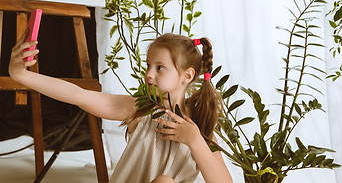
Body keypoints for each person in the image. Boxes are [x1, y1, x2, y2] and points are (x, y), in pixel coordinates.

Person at [9, 30, 233, 183]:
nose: (149, 74)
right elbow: (78, 95)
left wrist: (195, 140)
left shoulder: (199, 126)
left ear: (188, 75)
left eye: (160, 68)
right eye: (149, 65)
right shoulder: (139, 109)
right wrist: (20, 75)